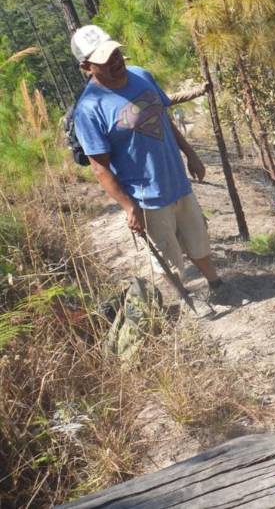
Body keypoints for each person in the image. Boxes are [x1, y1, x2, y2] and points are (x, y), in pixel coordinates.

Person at [71, 25, 229, 308]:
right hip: (147, 197)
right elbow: (100, 168)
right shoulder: (89, 109)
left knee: (197, 237)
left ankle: (216, 283)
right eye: (105, 60)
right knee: (168, 256)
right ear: (86, 66)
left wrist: (190, 153)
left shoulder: (142, 76)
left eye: (116, 53)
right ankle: (186, 302)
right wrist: (129, 206)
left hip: (177, 180)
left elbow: (163, 118)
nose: (115, 61)